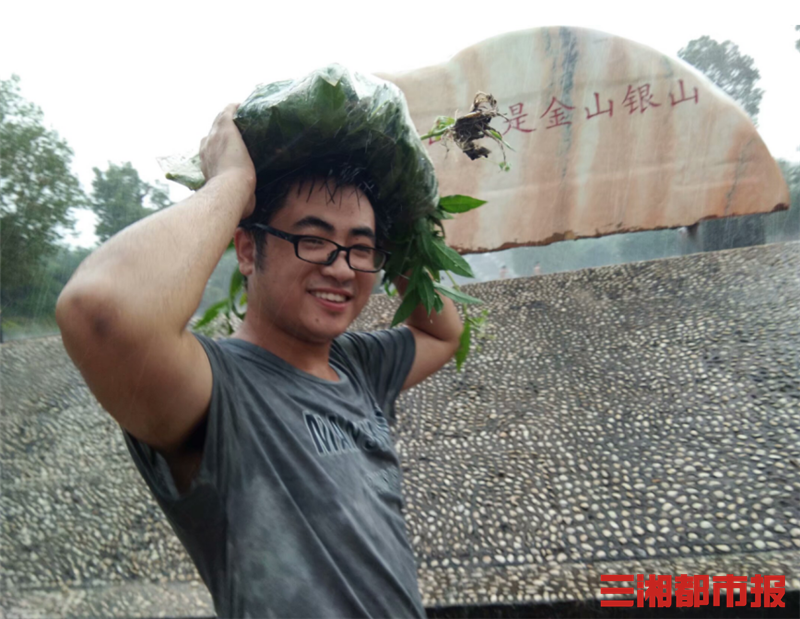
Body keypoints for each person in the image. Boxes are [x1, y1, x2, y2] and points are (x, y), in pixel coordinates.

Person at [55, 104, 463, 618]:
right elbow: (100, 310)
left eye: (361, 248)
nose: (342, 269)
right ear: (247, 251)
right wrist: (231, 182)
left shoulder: (360, 367)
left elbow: (443, 332)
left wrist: (403, 225)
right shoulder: (218, 389)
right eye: (313, 240)